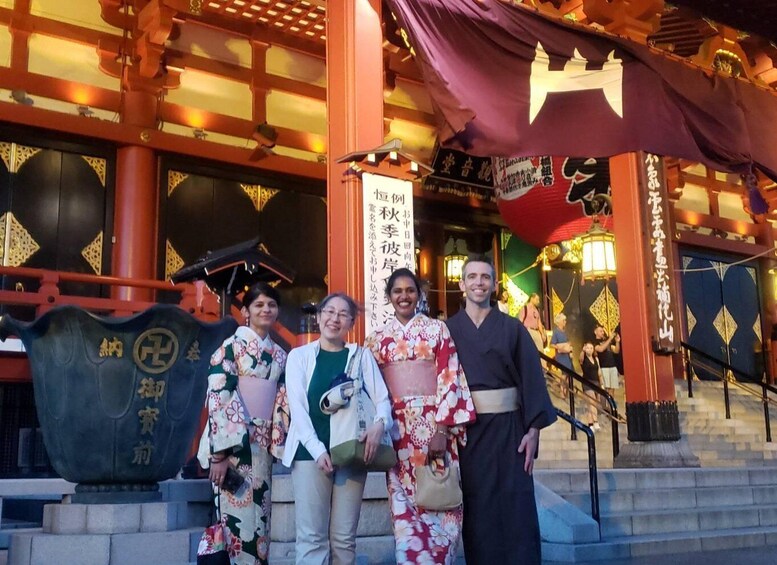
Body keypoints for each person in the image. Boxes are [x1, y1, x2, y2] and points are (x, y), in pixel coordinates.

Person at [446, 256, 557, 565]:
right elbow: (440, 382)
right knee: (477, 506)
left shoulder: (512, 329)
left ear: (494, 285)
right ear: (462, 284)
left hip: (511, 431)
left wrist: (533, 430)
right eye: (472, 277)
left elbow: (531, 378)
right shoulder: (448, 330)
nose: (479, 282)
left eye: (485, 277)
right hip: (467, 433)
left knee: (516, 505)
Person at [365, 268, 476, 565]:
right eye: (397, 291)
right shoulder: (376, 340)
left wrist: (442, 427)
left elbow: (449, 375)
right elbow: (370, 389)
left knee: (440, 502)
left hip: (433, 428)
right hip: (396, 433)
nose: (404, 296)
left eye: (410, 290)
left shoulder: (437, 330)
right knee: (403, 515)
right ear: (389, 297)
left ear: (419, 294)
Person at [282, 293, 392, 565]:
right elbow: (298, 410)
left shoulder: (361, 356)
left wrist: (379, 426)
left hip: (352, 452)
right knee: (311, 537)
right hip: (310, 455)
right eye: (329, 312)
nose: (335, 319)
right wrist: (318, 450)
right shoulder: (299, 357)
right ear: (318, 317)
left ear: (351, 323)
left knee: (344, 538)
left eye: (343, 314)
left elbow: (382, 400)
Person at [198, 282, 289, 565]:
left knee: (260, 525)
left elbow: (282, 401)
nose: (266, 310)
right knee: (233, 524)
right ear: (246, 311)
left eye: (271, 305)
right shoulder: (229, 349)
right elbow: (220, 397)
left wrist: (278, 444)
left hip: (260, 450)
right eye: (259, 305)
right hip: (233, 452)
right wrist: (219, 455)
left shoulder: (280, 355)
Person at [580, 341, 603, 431]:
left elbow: (599, 372)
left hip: (596, 382)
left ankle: (590, 423)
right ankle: (596, 421)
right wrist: (583, 351)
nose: (589, 349)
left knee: (593, 404)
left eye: (591, 348)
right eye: (588, 348)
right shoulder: (583, 358)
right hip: (587, 382)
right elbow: (580, 359)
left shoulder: (596, 359)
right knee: (592, 400)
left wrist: (601, 384)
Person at [594, 325, 621, 397]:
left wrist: (617, 342)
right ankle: (605, 405)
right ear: (595, 332)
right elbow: (600, 349)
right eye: (600, 331)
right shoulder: (595, 342)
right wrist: (609, 339)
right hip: (604, 367)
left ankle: (611, 405)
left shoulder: (607, 341)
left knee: (612, 388)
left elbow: (616, 351)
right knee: (606, 388)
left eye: (603, 331)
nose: (602, 333)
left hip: (613, 366)